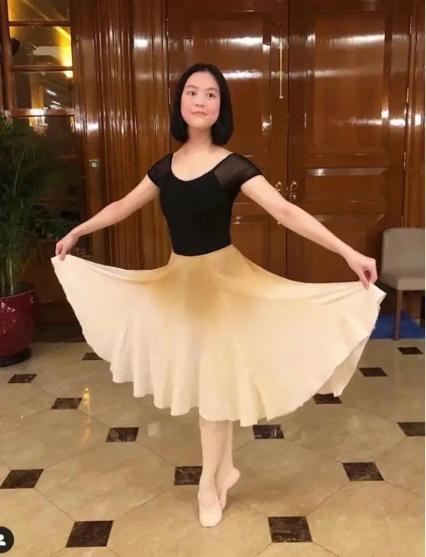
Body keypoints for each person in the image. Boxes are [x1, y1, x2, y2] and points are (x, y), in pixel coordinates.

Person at [52, 62, 386, 528]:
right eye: (193, 91)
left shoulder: (232, 166)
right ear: (180, 102)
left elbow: (285, 212)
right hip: (179, 287)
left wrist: (348, 252)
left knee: (212, 388)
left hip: (225, 286)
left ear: (220, 107)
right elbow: (123, 206)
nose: (201, 100)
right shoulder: (164, 168)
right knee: (214, 384)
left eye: (211, 94)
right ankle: (224, 468)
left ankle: (209, 484)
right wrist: (78, 231)